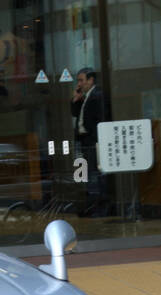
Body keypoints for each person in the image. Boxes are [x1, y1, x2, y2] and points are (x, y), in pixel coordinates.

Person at [71, 68, 108, 216]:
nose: (79, 84)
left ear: (91, 80)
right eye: (78, 81)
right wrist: (75, 100)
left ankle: (99, 207)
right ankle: (90, 205)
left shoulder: (97, 95)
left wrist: (95, 137)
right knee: (86, 173)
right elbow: (75, 113)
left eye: (81, 80)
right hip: (85, 141)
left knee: (95, 174)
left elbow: (99, 118)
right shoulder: (86, 96)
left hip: (93, 140)